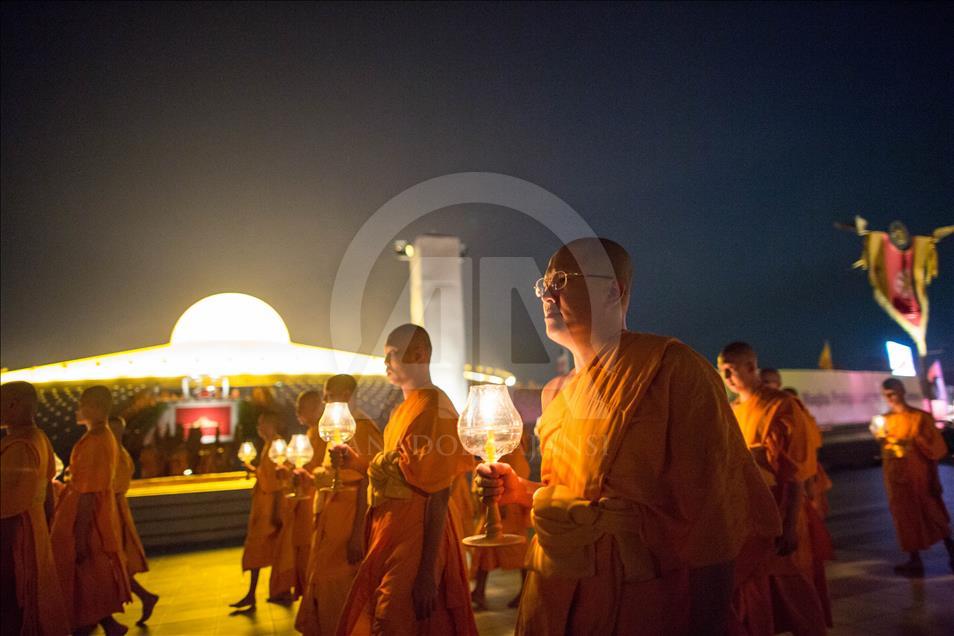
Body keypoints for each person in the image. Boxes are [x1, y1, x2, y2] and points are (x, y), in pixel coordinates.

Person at [477, 238, 780, 635]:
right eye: (544, 284)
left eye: (563, 280)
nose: (548, 294)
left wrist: (710, 622)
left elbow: (713, 517)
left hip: (642, 596)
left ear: (612, 290)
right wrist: (520, 491)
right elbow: (575, 497)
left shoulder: (671, 369)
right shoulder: (557, 391)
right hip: (554, 590)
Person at [333, 324, 478, 635]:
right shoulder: (403, 410)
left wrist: (427, 572)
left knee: (394, 620)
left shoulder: (435, 408)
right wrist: (356, 463)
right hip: (389, 530)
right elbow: (397, 472)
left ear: (419, 354)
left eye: (392, 355)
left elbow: (438, 494)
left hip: (417, 533)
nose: (386, 363)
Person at [719, 342, 828, 636]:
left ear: (751, 367)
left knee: (793, 587)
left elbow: (794, 472)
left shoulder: (781, 405)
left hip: (781, 512)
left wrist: (790, 523)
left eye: (731, 369)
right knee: (753, 591)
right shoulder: (731, 411)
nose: (726, 377)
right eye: (722, 371)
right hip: (749, 518)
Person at [295, 377, 383, 636]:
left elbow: (369, 479)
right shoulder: (336, 428)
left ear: (346, 394)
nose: (324, 401)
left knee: (342, 589)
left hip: (349, 523)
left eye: (328, 395)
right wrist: (309, 479)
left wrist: (358, 534)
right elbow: (331, 475)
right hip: (330, 519)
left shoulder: (363, 427)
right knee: (323, 584)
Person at [51, 385, 131, 635]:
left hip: (85, 518)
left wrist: (81, 536)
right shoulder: (99, 437)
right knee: (89, 575)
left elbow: (87, 493)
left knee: (83, 573)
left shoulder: (97, 440)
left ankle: (91, 625)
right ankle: (109, 625)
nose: (78, 409)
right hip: (87, 514)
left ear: (95, 407)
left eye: (82, 404)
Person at [1, 381, 70, 636]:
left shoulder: (19, 446)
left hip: (15, 538)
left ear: (12, 405)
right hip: (35, 527)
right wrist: (46, 525)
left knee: (11, 601)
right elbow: (48, 492)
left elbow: (7, 507)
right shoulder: (39, 438)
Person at [872, 378, 954, 575]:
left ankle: (952, 552)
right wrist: (883, 439)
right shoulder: (885, 420)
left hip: (920, 477)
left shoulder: (920, 418)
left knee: (933, 514)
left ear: (902, 392)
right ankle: (914, 559)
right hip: (896, 479)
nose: (890, 398)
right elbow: (887, 449)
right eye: (886, 395)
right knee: (904, 518)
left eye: (893, 393)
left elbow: (937, 449)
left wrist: (915, 440)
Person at [231, 411, 293, 610]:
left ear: (271, 424)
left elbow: (279, 482)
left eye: (262, 423)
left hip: (272, 507)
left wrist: (276, 510)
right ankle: (257, 593)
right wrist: (254, 470)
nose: (259, 427)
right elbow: (266, 475)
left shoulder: (277, 445)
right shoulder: (269, 445)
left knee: (265, 548)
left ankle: (279, 590)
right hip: (263, 506)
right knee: (264, 549)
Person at [275, 390, 326, 602]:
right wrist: (289, 473)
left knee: (310, 553)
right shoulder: (310, 434)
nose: (297, 413)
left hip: (315, 500)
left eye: (302, 408)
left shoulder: (324, 434)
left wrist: (299, 476)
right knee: (302, 553)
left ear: (316, 408)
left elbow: (321, 471)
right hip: (304, 500)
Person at [108, 416, 159, 625]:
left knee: (112, 563)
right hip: (114, 509)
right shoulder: (117, 452)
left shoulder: (116, 454)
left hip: (112, 512)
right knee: (112, 565)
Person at [470, 437, 531, 611]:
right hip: (494, 503)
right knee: (484, 550)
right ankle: (479, 591)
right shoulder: (495, 445)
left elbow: (517, 472)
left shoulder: (511, 448)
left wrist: (503, 500)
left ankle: (526, 591)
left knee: (519, 552)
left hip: (508, 508)